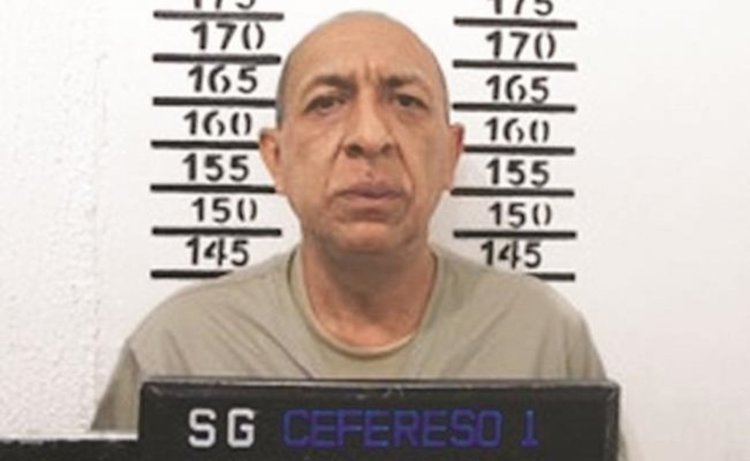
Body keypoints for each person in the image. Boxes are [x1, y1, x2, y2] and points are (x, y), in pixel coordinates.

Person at [93, 11, 616, 451]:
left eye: (406, 102)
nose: (370, 136)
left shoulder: (542, 340)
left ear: (451, 155)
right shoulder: (181, 349)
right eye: (327, 102)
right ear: (276, 157)